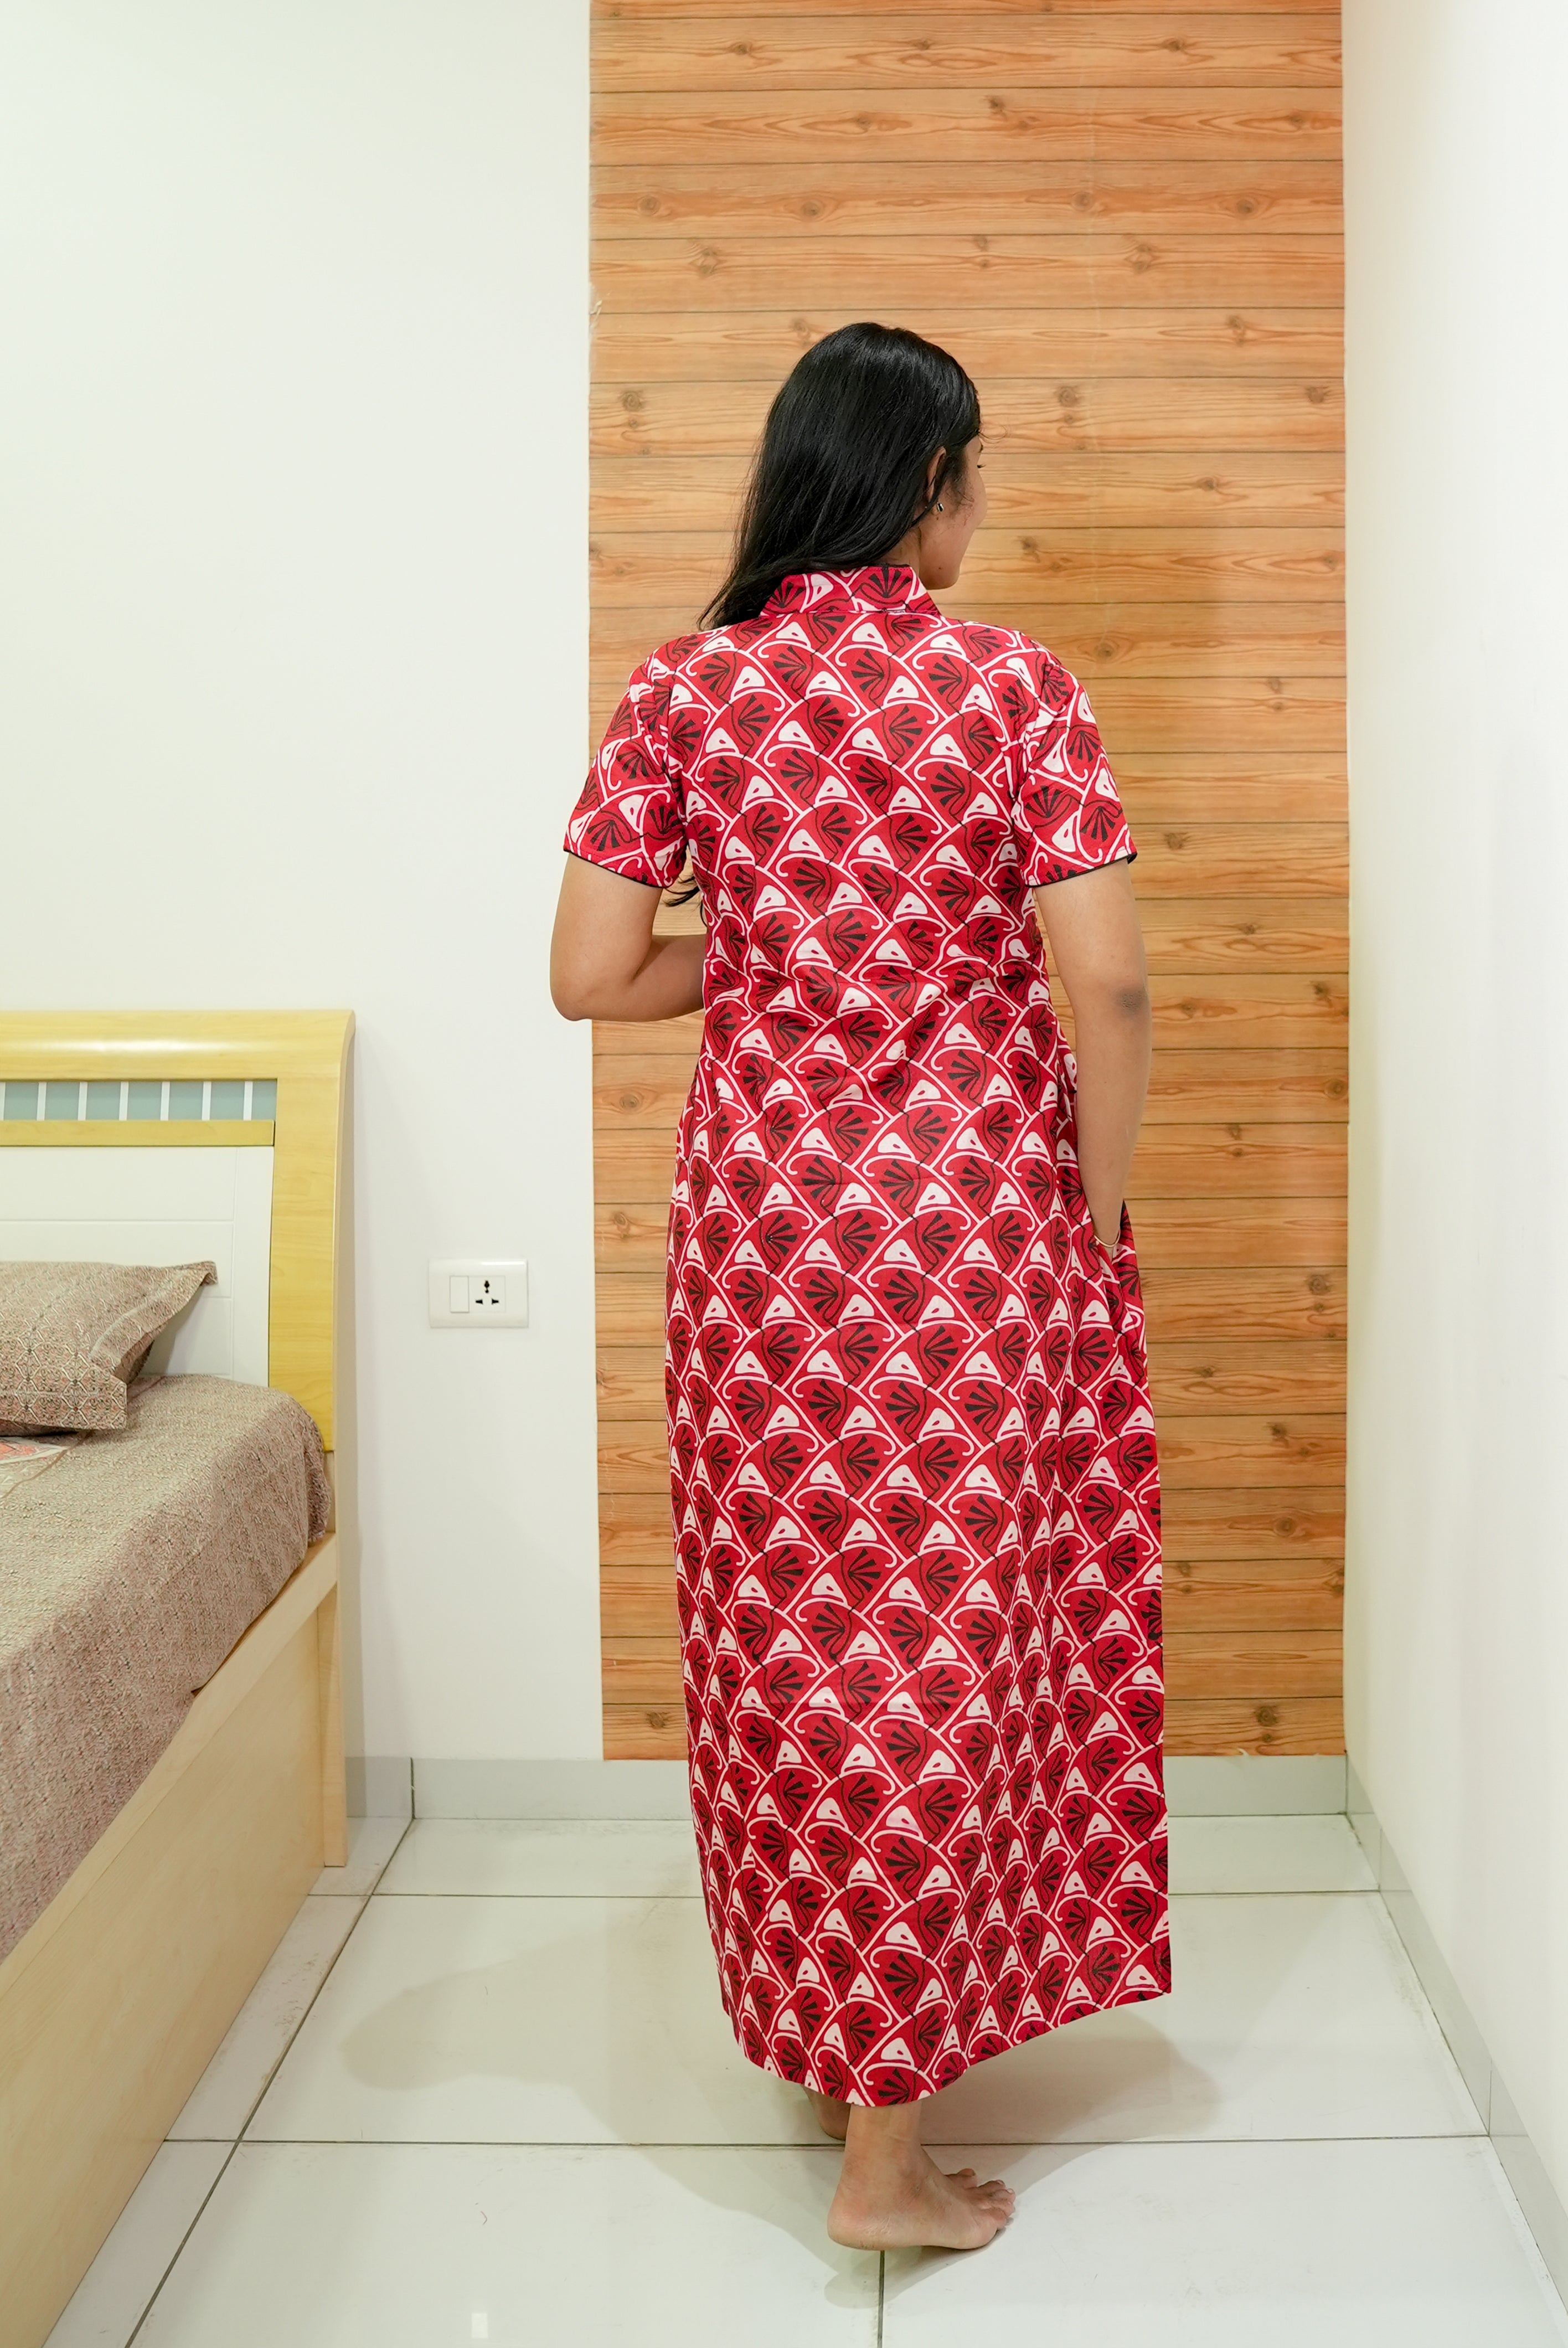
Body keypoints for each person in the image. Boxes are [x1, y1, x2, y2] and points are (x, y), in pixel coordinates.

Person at [551, 321, 1167, 2252]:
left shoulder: (684, 689)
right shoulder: (1012, 688)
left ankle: (843, 2044)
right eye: (974, 478)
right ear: (925, 485)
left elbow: (589, 974)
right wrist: (1098, 1201)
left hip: (763, 1252)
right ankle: (887, 2161)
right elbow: (1109, 981)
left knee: (797, 1648)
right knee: (952, 1643)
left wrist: (764, 964)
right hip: (975, 1233)